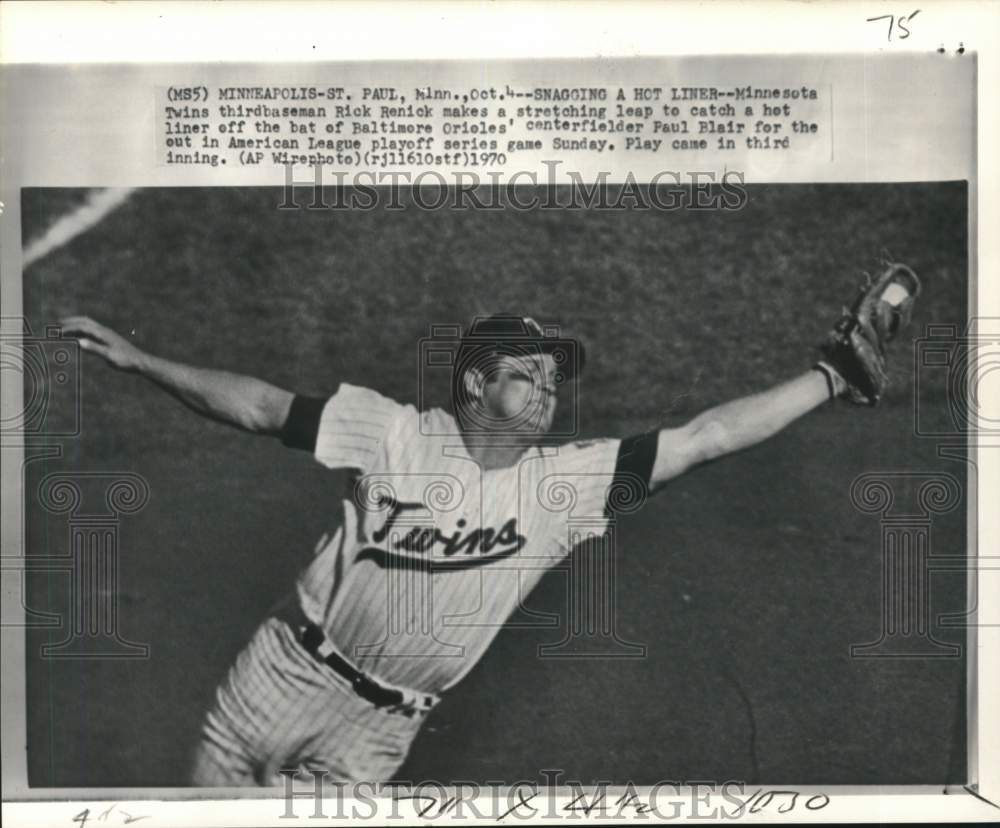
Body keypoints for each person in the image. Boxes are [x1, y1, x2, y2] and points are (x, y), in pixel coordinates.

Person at [60, 276, 914, 785]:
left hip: (378, 737)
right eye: (526, 375)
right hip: (276, 681)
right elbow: (257, 406)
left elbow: (707, 436)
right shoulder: (391, 431)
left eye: (552, 380)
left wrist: (830, 378)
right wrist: (143, 361)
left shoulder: (566, 486)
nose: (546, 391)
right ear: (472, 386)